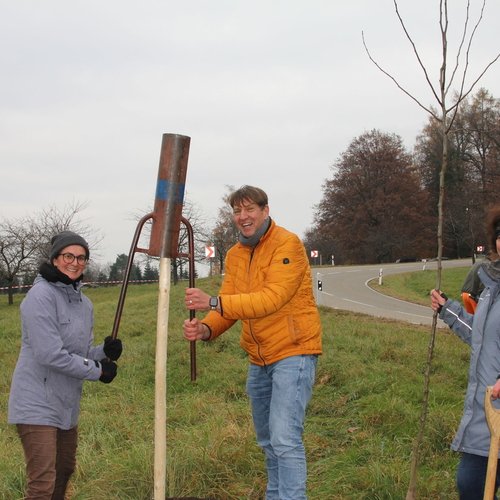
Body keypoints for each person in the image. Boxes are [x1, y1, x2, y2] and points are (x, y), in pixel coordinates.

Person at [183, 185, 322, 500]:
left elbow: (271, 299)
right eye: (237, 211)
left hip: (294, 352)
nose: (243, 217)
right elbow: (231, 303)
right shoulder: (235, 255)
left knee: (285, 439)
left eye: (249, 210)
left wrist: (214, 302)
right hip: (258, 359)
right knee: (269, 442)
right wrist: (206, 329)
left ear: (265, 210)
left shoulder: (288, 244)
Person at [8, 230, 123, 500]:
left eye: (81, 258)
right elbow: (50, 354)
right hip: (36, 403)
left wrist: (103, 353)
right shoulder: (40, 296)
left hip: (66, 404)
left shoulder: (85, 304)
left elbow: (79, 353)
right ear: (55, 259)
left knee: (65, 471)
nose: (75, 262)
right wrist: (98, 371)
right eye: (68, 256)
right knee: (42, 484)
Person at [430, 205, 500, 499]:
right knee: (470, 485)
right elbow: (482, 338)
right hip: (488, 417)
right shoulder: (490, 284)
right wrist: (448, 310)